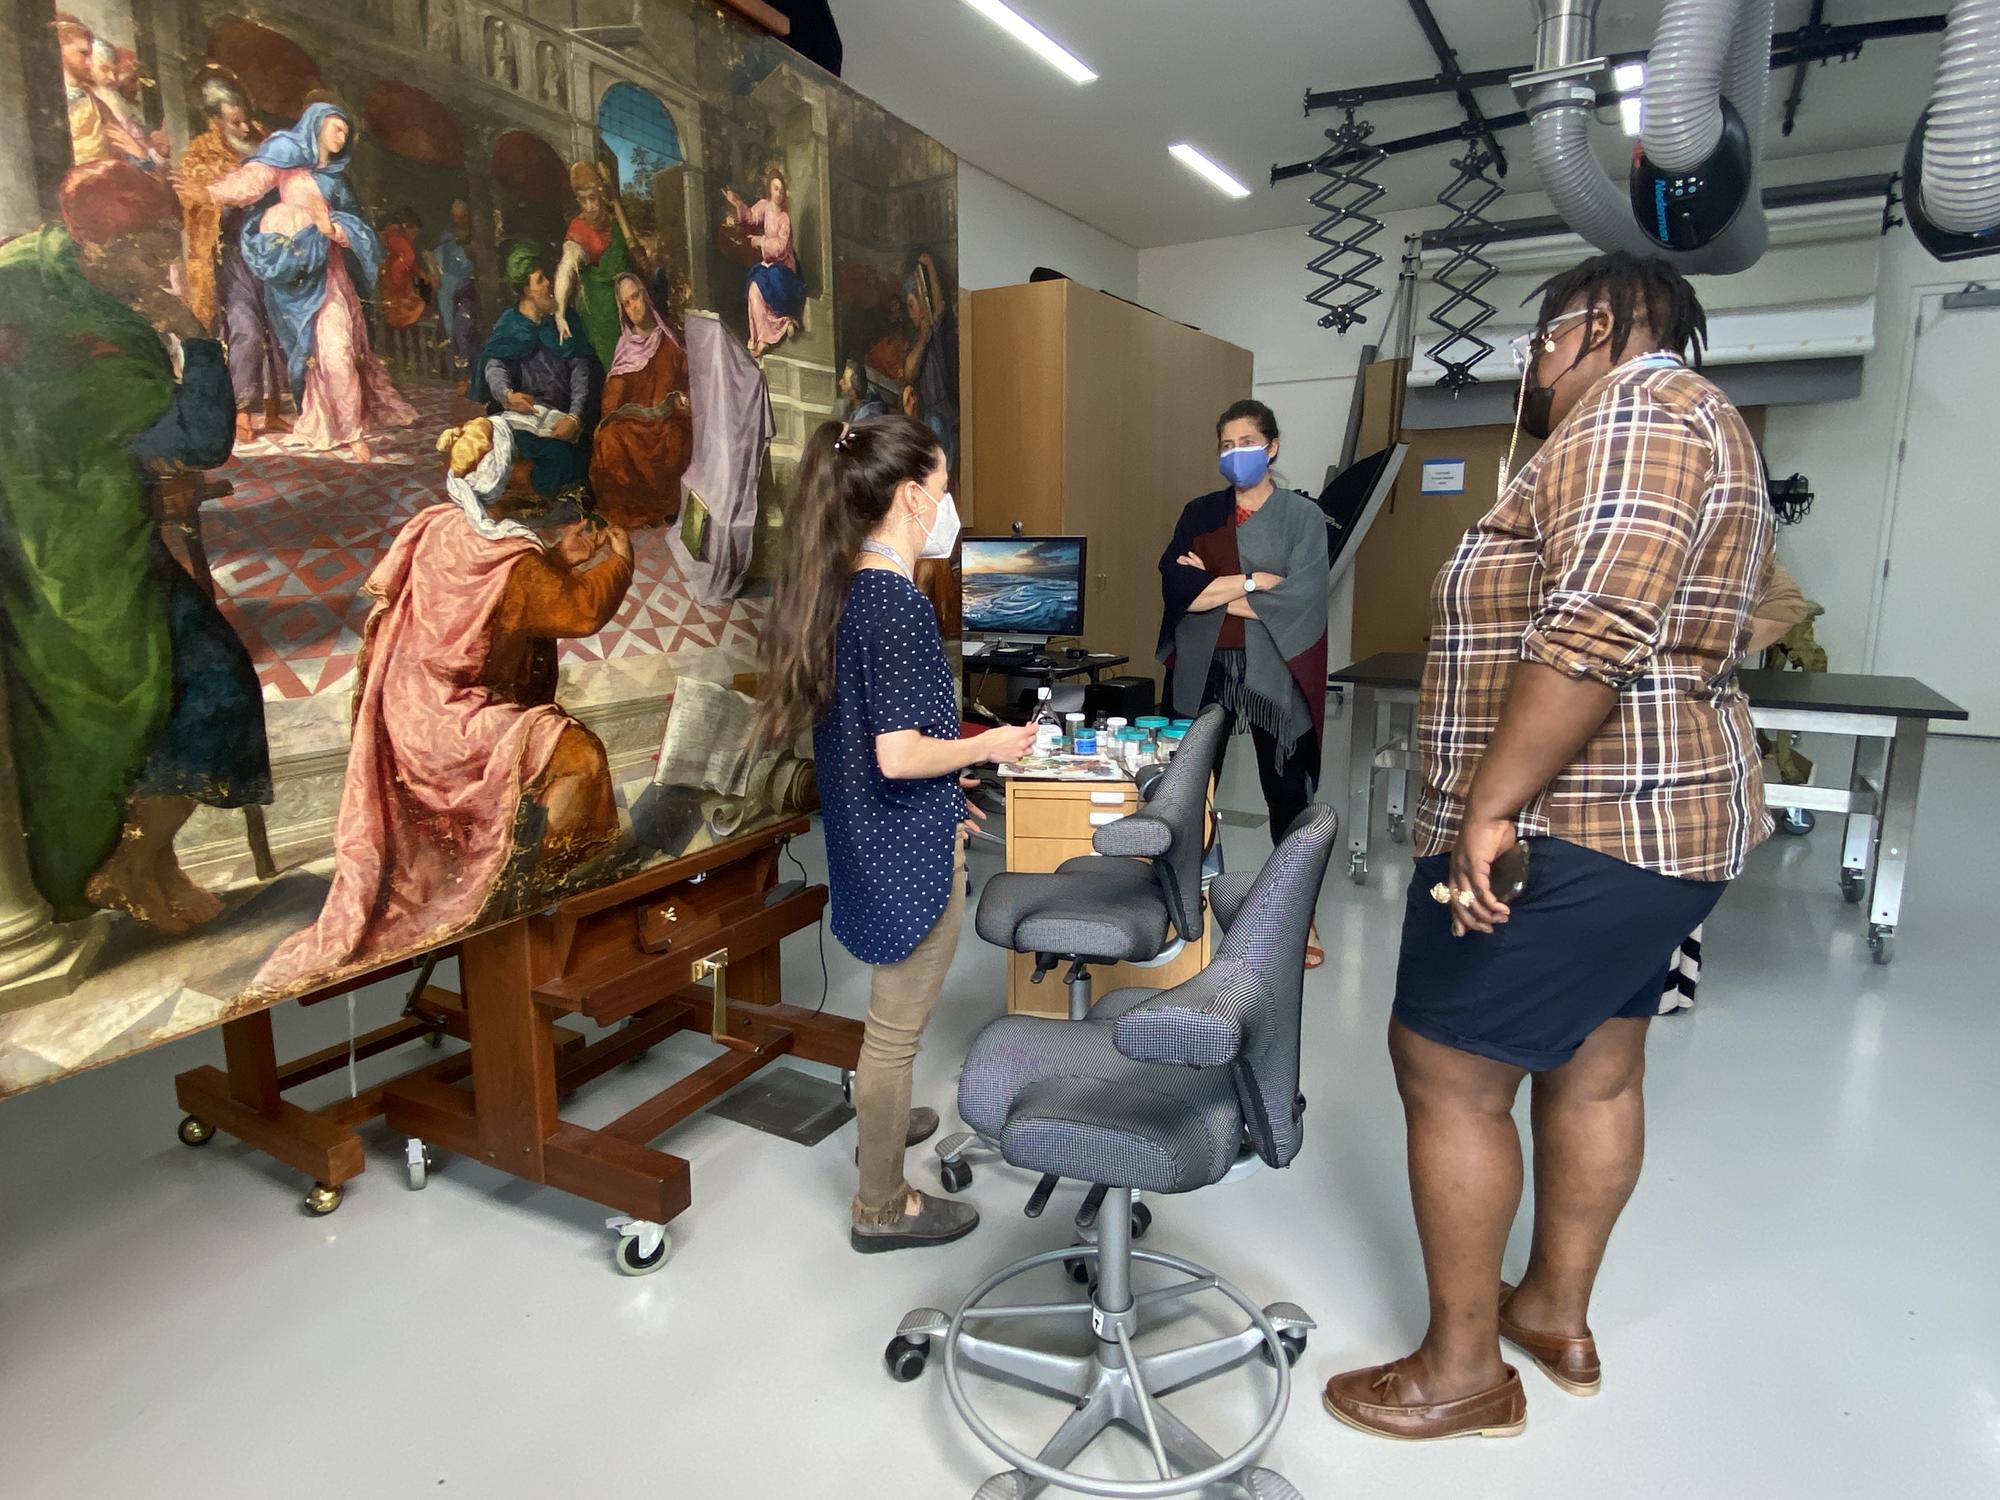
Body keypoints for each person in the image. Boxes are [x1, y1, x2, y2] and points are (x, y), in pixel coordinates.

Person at [1322, 252, 1772, 1442]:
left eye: (1537, 340)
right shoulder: (1696, 424)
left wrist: (1487, 807)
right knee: (1597, 1062)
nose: (1529, 365)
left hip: (1574, 825)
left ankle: (1462, 1369)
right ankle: (1550, 1313)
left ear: (1593, 325)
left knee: (1447, 1069)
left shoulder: (1636, 414)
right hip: (1650, 831)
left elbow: (1592, 631)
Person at [754, 415, 1037, 1251]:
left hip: (870, 839)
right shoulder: (901, 608)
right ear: (912, 498)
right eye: (944, 493)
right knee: (894, 1030)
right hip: (904, 855)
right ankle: (881, 1205)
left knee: (890, 1022)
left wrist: (950, 791)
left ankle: (887, 1120)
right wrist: (986, 745)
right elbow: (899, 750)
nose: (948, 510)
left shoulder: (841, 595)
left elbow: (868, 752)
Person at [250, 415, 632, 998]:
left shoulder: (438, 526)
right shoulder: (510, 560)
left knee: (558, 747)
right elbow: (578, 612)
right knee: (577, 757)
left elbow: (503, 595)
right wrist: (618, 561)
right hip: (450, 722)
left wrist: (556, 557)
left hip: (408, 709)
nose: (531, 470)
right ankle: (552, 898)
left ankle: (532, 876)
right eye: (522, 461)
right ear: (501, 475)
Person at [0, 159, 272, 936]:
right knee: (213, 687)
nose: (158, 265)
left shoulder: (25, 267)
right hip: (77, 554)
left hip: (37, 538)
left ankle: (150, 864)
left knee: (197, 680)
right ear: (104, 246)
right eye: (150, 248)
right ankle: (126, 864)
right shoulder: (101, 342)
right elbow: (201, 437)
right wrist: (194, 337)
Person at [1158, 399, 1329, 966]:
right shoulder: (1200, 512)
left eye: (1247, 442)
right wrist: (1255, 582)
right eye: (1226, 445)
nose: (1236, 455)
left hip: (1272, 675)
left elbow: (1302, 602)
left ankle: (1300, 917)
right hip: (1205, 668)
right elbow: (1179, 593)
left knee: (1287, 796)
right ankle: (1184, 908)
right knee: (1188, 794)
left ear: (1272, 447)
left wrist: (1216, 589)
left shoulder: (1303, 518)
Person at [203, 100, 416, 461]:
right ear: (316, 126)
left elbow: (358, 225)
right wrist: (206, 193)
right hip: (294, 274)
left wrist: (334, 228)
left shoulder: (338, 182)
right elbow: (248, 184)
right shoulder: (287, 159)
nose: (341, 135)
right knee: (311, 354)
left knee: (339, 349)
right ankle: (327, 421)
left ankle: (351, 429)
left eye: (346, 131)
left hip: (329, 272)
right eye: (336, 127)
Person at [175, 71, 289, 443]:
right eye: (233, 121)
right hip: (233, 253)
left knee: (277, 329)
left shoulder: (269, 143)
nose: (243, 126)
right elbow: (192, 202)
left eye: (245, 117)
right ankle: (242, 409)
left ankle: (272, 410)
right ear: (216, 121)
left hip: (272, 250)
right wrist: (218, 197)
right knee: (247, 329)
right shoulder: (201, 153)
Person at [473, 244, 598, 498]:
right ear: (525, 290)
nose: (549, 284)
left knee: (565, 460)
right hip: (525, 417)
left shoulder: (565, 319)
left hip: (564, 418)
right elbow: (495, 364)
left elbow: (581, 372)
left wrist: (574, 418)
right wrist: (507, 395)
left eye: (546, 277)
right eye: (540, 280)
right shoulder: (510, 323)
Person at [590, 272, 692, 528]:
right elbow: (612, 396)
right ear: (622, 309)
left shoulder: (669, 339)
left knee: (674, 438)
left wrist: (682, 400)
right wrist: (613, 411)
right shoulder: (626, 347)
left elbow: (689, 380)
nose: (634, 306)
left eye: (636, 297)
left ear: (645, 296)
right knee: (610, 437)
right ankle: (628, 509)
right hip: (635, 424)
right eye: (627, 302)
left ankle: (667, 507)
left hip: (668, 421)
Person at [555, 159, 643, 370]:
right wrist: (559, 311)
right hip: (601, 317)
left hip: (629, 307)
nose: (589, 206)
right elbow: (566, 269)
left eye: (592, 198)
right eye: (583, 201)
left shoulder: (615, 223)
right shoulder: (579, 231)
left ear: (602, 195)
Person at [722, 166, 804, 359]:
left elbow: (782, 248)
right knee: (754, 288)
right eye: (775, 189)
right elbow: (750, 217)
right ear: (770, 189)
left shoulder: (785, 219)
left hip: (784, 268)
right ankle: (762, 337)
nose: (779, 193)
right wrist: (737, 203)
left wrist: (760, 241)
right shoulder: (764, 206)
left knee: (773, 279)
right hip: (769, 266)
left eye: (782, 190)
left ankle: (784, 322)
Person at [434, 199, 481, 378]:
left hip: (469, 287)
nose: (459, 221)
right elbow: (439, 261)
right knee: (449, 327)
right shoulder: (447, 238)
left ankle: (468, 373)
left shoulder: (476, 236)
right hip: (448, 286)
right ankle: (457, 374)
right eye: (456, 217)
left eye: (462, 217)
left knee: (465, 329)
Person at [378, 206, 431, 330]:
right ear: (407, 226)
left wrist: (420, 273)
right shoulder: (398, 239)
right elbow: (405, 262)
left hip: (390, 282)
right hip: (395, 289)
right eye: (415, 232)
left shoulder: (391, 235)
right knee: (419, 305)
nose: (415, 237)